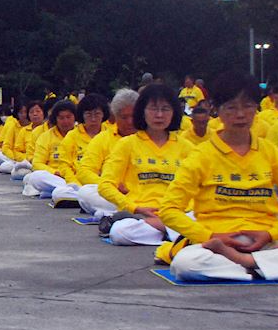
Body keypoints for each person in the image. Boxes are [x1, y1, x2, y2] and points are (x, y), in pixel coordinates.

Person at [158, 72, 278, 282]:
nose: (240, 115)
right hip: (217, 244)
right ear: (217, 111)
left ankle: (247, 264)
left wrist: (272, 235)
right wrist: (210, 236)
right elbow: (169, 209)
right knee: (186, 264)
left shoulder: (270, 153)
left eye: (248, 106)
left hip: (264, 242)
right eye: (232, 107)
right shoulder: (201, 156)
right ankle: (265, 267)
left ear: (257, 109)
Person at [98, 84, 193, 246]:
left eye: (165, 109)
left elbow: (201, 188)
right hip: (143, 216)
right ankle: (178, 236)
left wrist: (177, 214)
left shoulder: (187, 147)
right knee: (119, 232)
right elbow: (105, 185)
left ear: (174, 112)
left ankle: (171, 233)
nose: (159, 115)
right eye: (153, 109)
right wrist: (135, 208)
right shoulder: (127, 144)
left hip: (180, 213)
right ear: (142, 111)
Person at [76, 89, 138, 217]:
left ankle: (115, 214)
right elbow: (84, 171)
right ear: (114, 116)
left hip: (147, 194)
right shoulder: (102, 138)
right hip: (115, 194)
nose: (130, 122)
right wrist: (111, 187)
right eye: (124, 117)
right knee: (85, 193)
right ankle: (128, 213)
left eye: (134, 116)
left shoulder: (150, 137)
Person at [48, 93, 109, 206]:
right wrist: (74, 183)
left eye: (97, 114)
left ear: (103, 114)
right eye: (89, 114)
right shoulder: (72, 135)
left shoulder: (111, 134)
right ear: (82, 115)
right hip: (78, 183)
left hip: (105, 182)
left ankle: (87, 201)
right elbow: (64, 165)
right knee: (58, 193)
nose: (93, 118)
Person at [22, 100, 76, 198]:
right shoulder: (45, 137)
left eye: (69, 117)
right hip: (56, 177)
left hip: (77, 176)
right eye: (61, 118)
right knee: (35, 177)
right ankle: (69, 191)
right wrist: (54, 172)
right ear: (55, 119)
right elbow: (37, 163)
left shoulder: (81, 134)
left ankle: (61, 192)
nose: (65, 121)